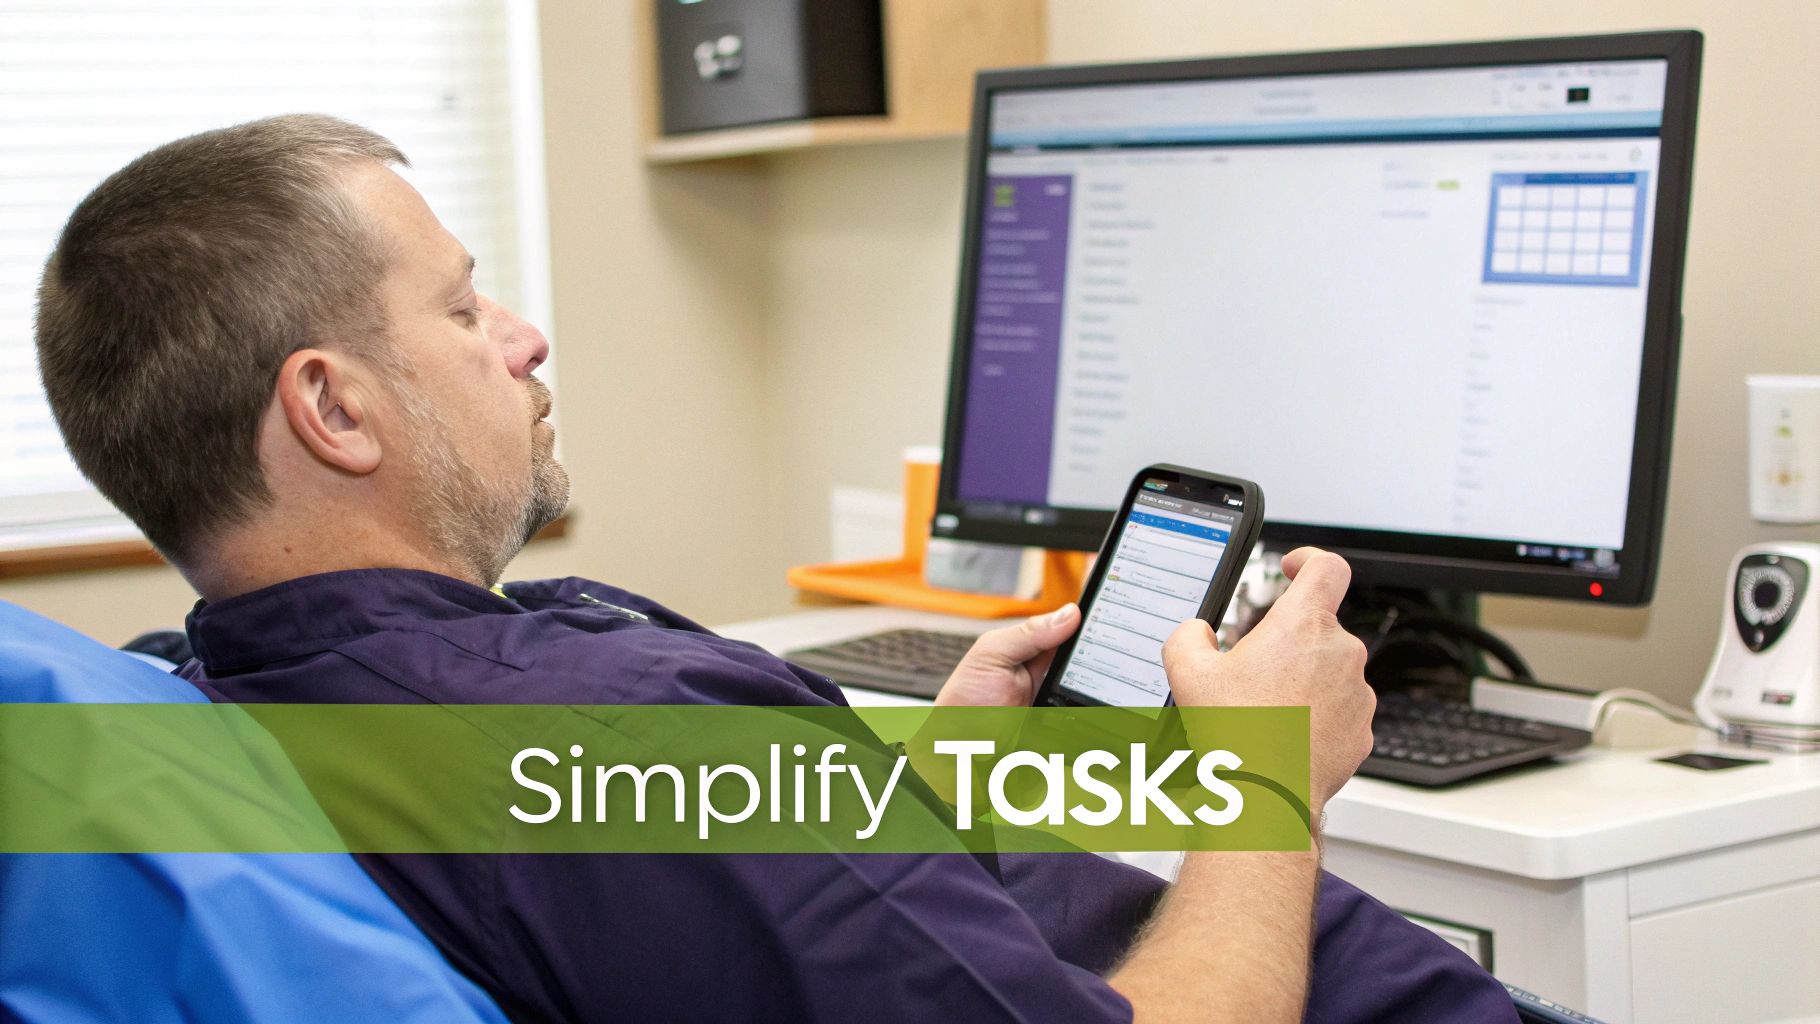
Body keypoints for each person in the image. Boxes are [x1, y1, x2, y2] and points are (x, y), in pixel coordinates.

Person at [34, 114, 1516, 1023]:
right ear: (333, 407)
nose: (524, 338)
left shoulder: (249, 687)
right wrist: (1268, 783)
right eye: (464, 305)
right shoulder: (615, 747)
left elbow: (763, 910)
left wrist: (942, 787)